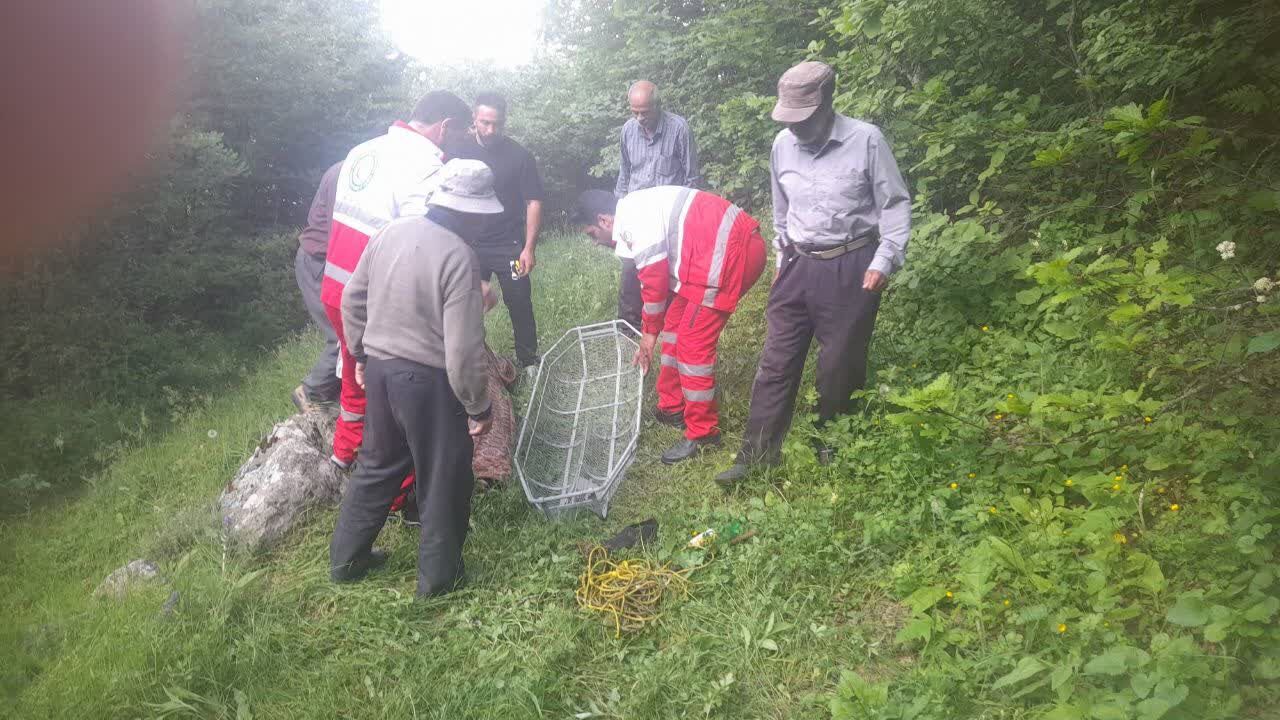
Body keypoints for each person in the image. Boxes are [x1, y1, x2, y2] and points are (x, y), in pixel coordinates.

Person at [716, 61, 911, 486]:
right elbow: (780, 206)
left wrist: (885, 259)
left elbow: (895, 204)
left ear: (826, 104)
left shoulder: (867, 140)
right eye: (789, 119)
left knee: (839, 364)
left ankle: (832, 449)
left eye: (802, 119)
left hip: (852, 264)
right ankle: (756, 457)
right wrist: (784, 252)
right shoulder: (781, 144)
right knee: (776, 361)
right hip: (798, 264)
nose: (796, 129)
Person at [329, 159, 500, 597]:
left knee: (376, 467)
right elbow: (462, 349)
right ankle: (439, 581)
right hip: (427, 383)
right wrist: (479, 405)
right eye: (481, 215)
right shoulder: (460, 256)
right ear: (467, 211)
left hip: (383, 375)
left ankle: (346, 561)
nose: (483, 224)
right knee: (444, 474)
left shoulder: (390, 232)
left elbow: (352, 300)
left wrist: (361, 354)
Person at [321, 91, 472, 470]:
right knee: (395, 396)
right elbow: (421, 246)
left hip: (338, 290)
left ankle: (343, 455)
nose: (458, 146)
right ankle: (398, 488)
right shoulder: (424, 166)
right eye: (460, 136)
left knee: (357, 382)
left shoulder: (364, 151)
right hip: (377, 298)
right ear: (446, 127)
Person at [575, 187, 766, 464]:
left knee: (692, 343)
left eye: (592, 234)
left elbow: (653, 282)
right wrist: (653, 329)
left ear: (604, 221)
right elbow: (656, 282)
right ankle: (672, 406)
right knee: (674, 325)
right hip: (710, 255)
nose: (595, 242)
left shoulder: (633, 222)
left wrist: (649, 336)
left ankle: (703, 433)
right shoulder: (632, 210)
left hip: (733, 253)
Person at [448, 91, 545, 370]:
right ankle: (471, 363)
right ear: (474, 120)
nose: (491, 130)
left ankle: (528, 362)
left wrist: (528, 247)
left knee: (519, 299)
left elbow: (533, 201)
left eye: (497, 124)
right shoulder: (458, 151)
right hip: (469, 246)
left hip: (510, 247)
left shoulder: (520, 156)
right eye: (485, 122)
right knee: (465, 304)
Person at [613, 80, 701, 332]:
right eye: (634, 111)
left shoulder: (679, 128)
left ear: (657, 106)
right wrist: (621, 214)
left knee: (669, 274)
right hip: (637, 215)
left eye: (645, 112)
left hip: (668, 216)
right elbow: (624, 173)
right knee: (631, 274)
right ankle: (628, 329)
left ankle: (670, 327)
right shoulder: (628, 131)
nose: (639, 117)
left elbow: (691, 178)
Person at [291, 161, 343, 413]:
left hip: (326, 261)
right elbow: (342, 230)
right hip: (318, 263)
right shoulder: (345, 175)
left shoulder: (350, 170)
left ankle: (332, 395)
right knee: (343, 335)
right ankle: (309, 392)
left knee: (353, 333)